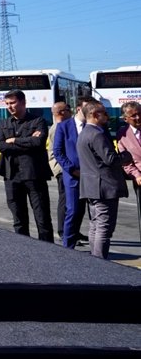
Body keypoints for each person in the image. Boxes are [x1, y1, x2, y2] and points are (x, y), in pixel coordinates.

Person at [0, 89, 53, 242]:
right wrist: (26, 142)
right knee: (18, 217)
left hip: (34, 174)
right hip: (11, 174)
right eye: (7, 104)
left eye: (12, 103)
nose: (9, 106)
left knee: (42, 216)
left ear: (23, 103)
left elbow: (38, 142)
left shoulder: (38, 121)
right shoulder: (3, 123)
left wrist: (14, 140)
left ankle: (47, 248)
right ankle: (23, 246)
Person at [76, 100, 127, 259]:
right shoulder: (97, 134)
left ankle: (96, 259)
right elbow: (110, 159)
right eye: (104, 113)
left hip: (92, 186)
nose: (108, 116)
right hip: (104, 187)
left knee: (95, 225)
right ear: (94, 115)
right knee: (104, 227)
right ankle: (100, 261)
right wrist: (127, 156)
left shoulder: (84, 132)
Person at [52, 96, 96, 248]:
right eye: (88, 108)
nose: (92, 112)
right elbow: (58, 152)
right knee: (73, 210)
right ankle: (68, 246)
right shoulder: (64, 126)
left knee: (94, 213)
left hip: (93, 176)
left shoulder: (95, 126)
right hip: (73, 177)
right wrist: (72, 169)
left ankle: (97, 247)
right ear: (79, 109)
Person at [47, 100, 72, 241]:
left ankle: (72, 229)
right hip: (62, 168)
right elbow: (58, 151)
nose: (71, 111)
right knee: (65, 200)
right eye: (68, 108)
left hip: (64, 167)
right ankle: (63, 231)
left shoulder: (62, 125)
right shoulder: (58, 127)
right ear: (62, 112)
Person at [115, 100, 141, 209]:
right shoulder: (122, 135)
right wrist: (137, 175)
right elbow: (125, 161)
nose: (138, 117)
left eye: (140, 113)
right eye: (134, 115)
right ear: (126, 119)